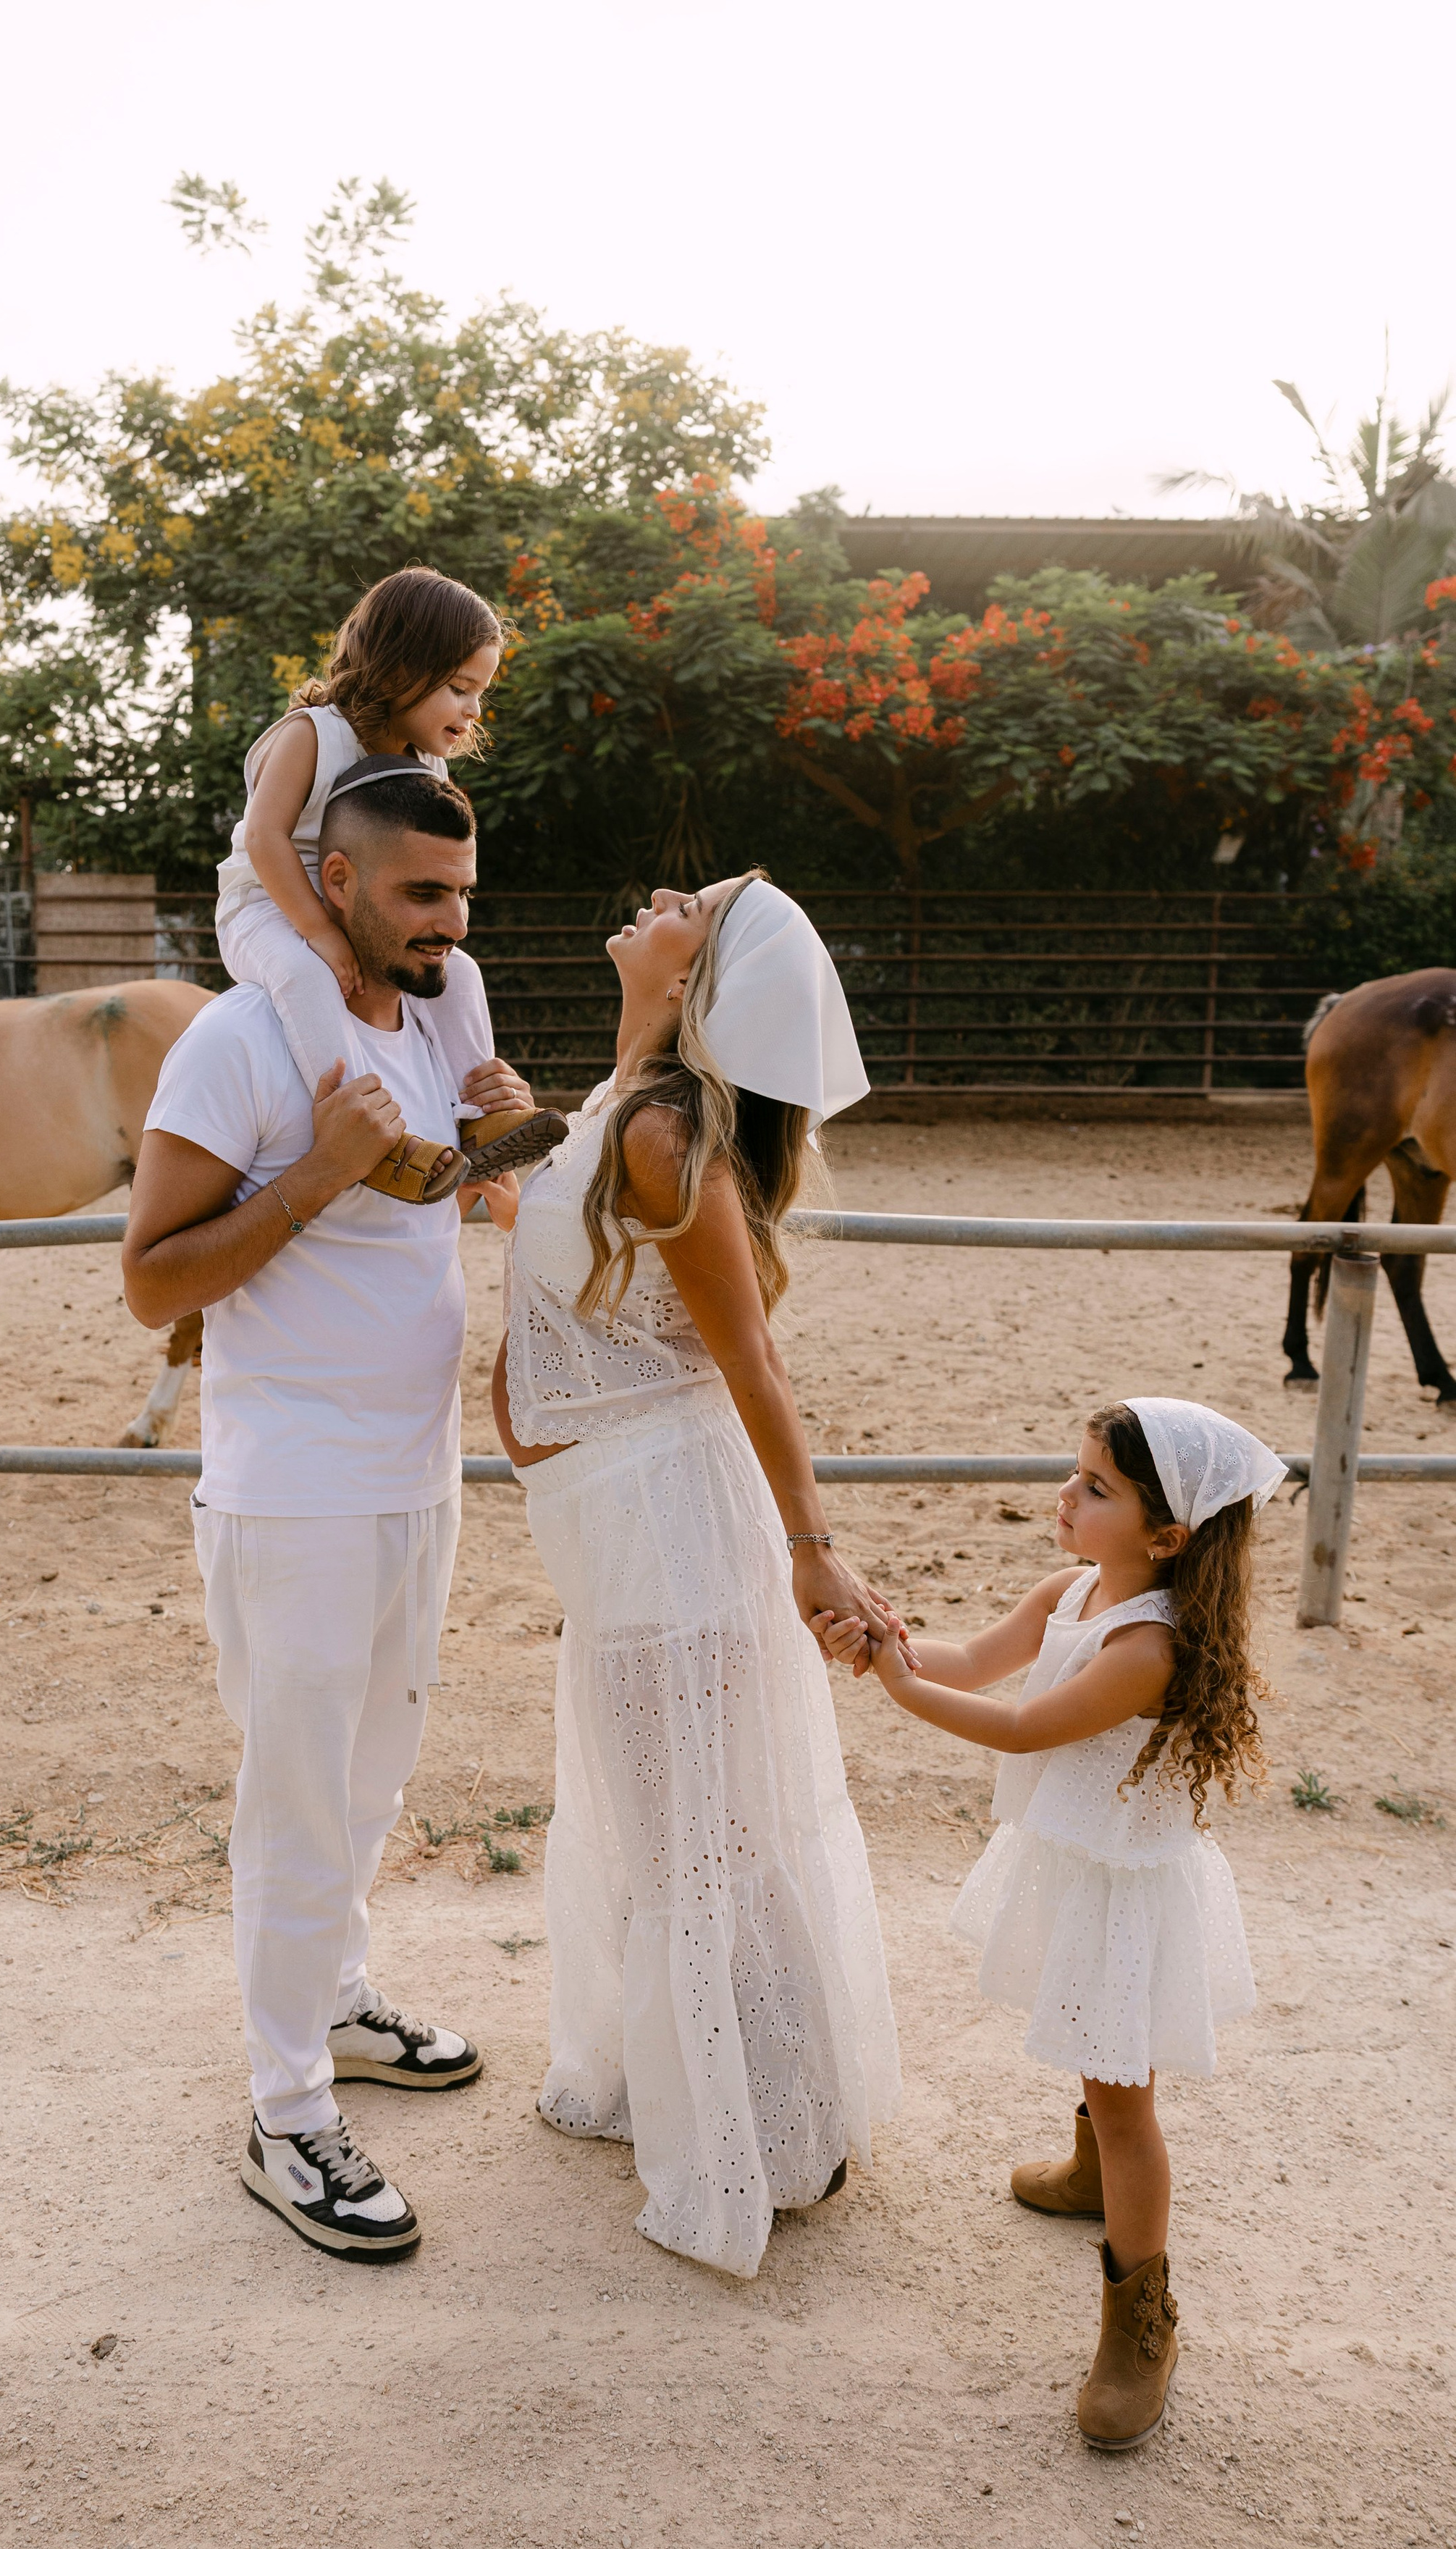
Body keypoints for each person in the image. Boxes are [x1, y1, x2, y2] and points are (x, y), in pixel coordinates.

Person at [122, 763, 533, 2262]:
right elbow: (151, 1281)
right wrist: (314, 1175)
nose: (450, 922)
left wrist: (512, 1137)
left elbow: (479, 1201)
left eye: (463, 895)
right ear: (336, 883)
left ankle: (337, 2002)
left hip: (418, 1474)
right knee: (297, 1802)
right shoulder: (240, 1043)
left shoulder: (439, 1022)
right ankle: (286, 2113)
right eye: (421, 894)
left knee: (369, 1783)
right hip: (293, 1491)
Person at [490, 871, 904, 2280]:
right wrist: (512, 1170)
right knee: (660, 1817)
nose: (660, 894)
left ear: (696, 985)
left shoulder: (665, 1131)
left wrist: (810, 1551)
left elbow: (753, 1363)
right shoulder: (627, 1101)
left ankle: (773, 2142)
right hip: (607, 1522)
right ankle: (700, 2095)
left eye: (692, 904)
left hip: (666, 1521)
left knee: (699, 1834)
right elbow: (586, 1262)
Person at [838, 1397, 1281, 2450]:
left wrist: (894, 1685)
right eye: (1076, 1474)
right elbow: (970, 1663)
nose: (1066, 1496)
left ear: (1166, 1537)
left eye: (1096, 1488)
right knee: (1098, 2052)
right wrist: (887, 1640)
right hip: (1083, 1870)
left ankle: (1141, 2321)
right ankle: (1089, 2178)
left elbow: (1022, 1726)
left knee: (1128, 2105)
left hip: (1127, 1892)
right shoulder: (1070, 1591)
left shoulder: (1148, 1648)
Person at [216, 565, 564, 1203]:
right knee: (304, 975)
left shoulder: (424, 763)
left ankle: (478, 1116)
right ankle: (367, 1137)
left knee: (462, 974)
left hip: (361, 908)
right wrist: (318, 930)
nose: (474, 709)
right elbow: (265, 838)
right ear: (404, 670)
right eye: (460, 687)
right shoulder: (312, 734)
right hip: (269, 903)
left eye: (480, 692)